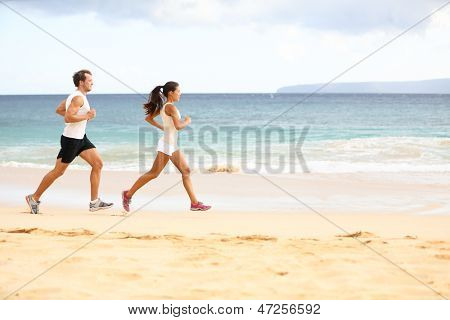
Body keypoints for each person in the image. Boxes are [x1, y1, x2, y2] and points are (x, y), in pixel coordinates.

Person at [25, 69, 113, 214]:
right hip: (71, 140)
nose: (92, 83)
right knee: (58, 172)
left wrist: (80, 115)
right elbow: (67, 117)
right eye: (89, 81)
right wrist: (87, 116)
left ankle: (94, 202)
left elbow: (60, 110)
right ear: (81, 82)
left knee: (98, 164)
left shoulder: (76, 96)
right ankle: (33, 198)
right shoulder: (78, 98)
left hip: (81, 138)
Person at [122, 81, 211, 212]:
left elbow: (149, 119)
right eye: (178, 91)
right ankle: (127, 194)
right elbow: (178, 126)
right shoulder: (170, 108)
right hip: (166, 145)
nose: (180, 93)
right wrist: (187, 121)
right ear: (171, 92)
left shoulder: (166, 106)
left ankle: (194, 203)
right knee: (154, 173)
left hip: (171, 144)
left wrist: (163, 127)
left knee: (186, 171)